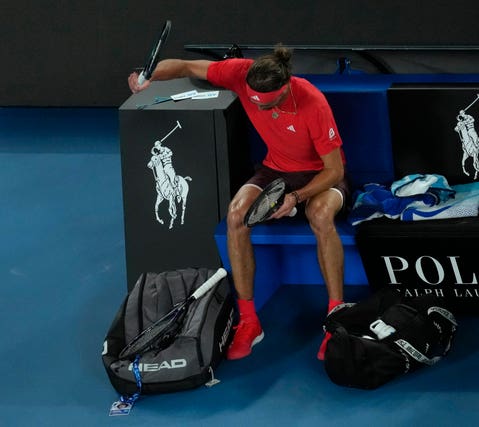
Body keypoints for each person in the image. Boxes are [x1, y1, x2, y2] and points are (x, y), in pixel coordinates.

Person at [128, 44, 349, 361]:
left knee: (320, 215)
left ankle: (335, 318)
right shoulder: (240, 72)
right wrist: (147, 76)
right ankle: (248, 321)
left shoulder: (312, 101)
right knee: (236, 215)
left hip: (321, 174)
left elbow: (335, 170)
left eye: (269, 104)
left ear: (286, 86)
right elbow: (186, 66)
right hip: (276, 169)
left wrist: (296, 198)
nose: (261, 110)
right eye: (255, 103)